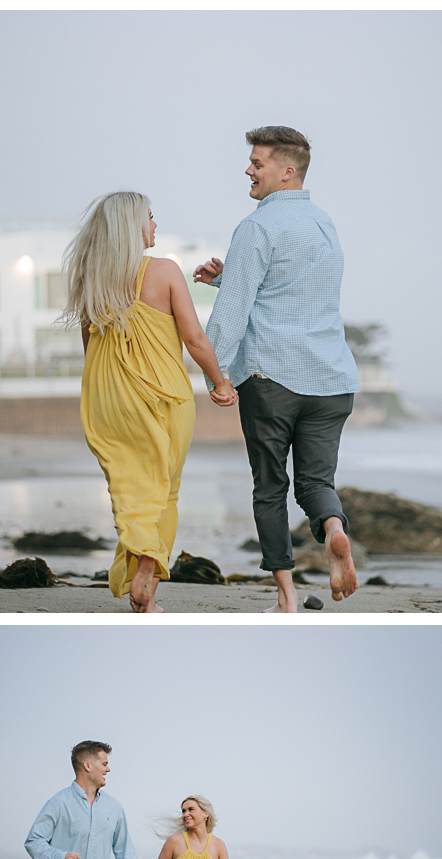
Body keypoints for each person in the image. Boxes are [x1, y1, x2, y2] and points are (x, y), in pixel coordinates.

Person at [194, 127, 360, 613]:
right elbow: (296, 288)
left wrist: (216, 377)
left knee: (270, 487)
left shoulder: (256, 227)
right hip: (331, 380)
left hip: (272, 378)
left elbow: (231, 315)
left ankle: (287, 598)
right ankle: (333, 530)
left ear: (286, 171)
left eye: (257, 163)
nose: (248, 170)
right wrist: (229, 274)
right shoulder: (324, 225)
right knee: (316, 483)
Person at [61, 192, 237, 613]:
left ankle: (143, 599)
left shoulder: (92, 277)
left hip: (107, 398)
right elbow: (194, 338)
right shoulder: (164, 272)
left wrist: (108, 389)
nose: (155, 226)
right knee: (164, 490)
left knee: (129, 488)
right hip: (163, 395)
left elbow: (89, 344)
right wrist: (221, 382)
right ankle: (147, 579)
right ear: (131, 226)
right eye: (151, 218)